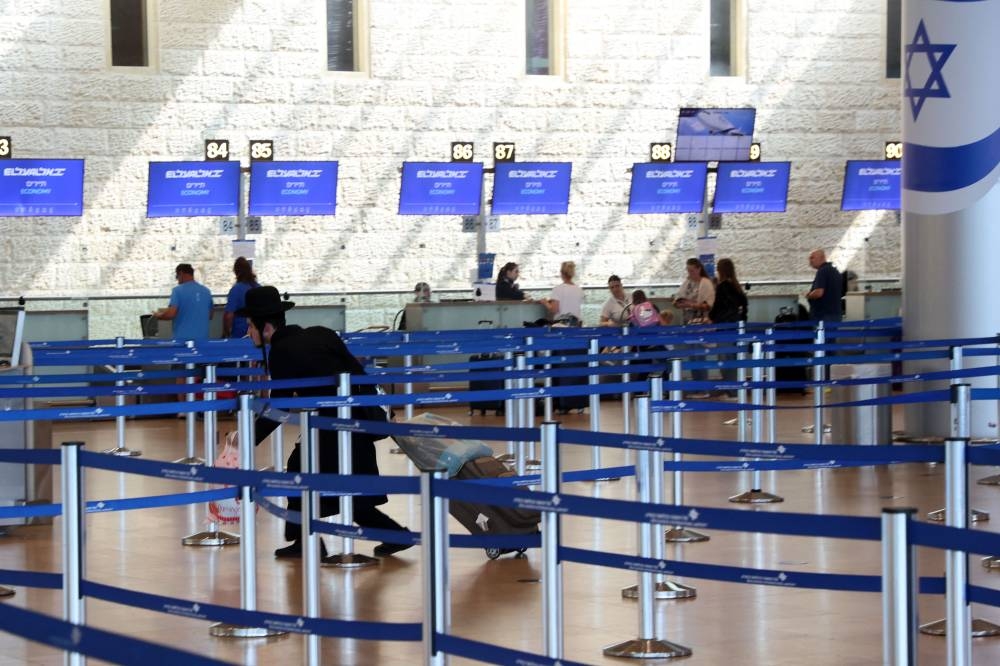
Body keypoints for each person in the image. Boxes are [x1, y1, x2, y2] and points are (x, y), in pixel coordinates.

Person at [240, 286, 410, 559]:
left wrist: (247, 439)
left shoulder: (281, 351)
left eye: (250, 326)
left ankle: (307, 542)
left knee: (302, 476)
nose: (248, 333)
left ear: (267, 327)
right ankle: (393, 536)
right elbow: (358, 373)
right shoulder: (321, 333)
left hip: (332, 428)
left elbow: (280, 405)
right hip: (359, 422)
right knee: (352, 488)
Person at [673, 257, 716, 395]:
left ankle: (704, 388)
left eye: (692, 270)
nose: (689, 273)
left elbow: (708, 305)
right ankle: (697, 387)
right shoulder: (687, 283)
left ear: (698, 269)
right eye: (688, 270)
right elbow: (676, 300)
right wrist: (680, 303)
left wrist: (690, 304)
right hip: (689, 324)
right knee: (692, 356)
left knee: (700, 356)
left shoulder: (706, 283)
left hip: (702, 324)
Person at [708, 258, 748, 396]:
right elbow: (744, 305)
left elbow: (717, 307)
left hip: (724, 326)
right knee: (732, 358)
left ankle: (731, 390)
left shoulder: (722, 287)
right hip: (736, 326)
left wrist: (711, 318)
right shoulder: (736, 286)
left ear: (720, 270)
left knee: (724, 359)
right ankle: (734, 389)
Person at [152, 263, 213, 340]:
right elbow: (210, 315)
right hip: (203, 339)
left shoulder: (177, 291)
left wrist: (159, 315)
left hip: (182, 340)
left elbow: (171, 314)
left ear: (181, 273)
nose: (177, 279)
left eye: (177, 276)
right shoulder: (206, 291)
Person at [222, 257, 259, 339]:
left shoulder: (236, 289)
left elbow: (229, 316)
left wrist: (226, 332)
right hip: (258, 333)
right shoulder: (259, 288)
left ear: (236, 272)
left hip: (240, 334)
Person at [806, 249, 843, 324]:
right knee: (832, 335)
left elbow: (819, 292)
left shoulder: (822, 271)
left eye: (812, 257)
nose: (810, 260)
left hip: (823, 315)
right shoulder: (834, 270)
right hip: (835, 313)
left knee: (821, 335)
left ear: (822, 258)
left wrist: (808, 295)